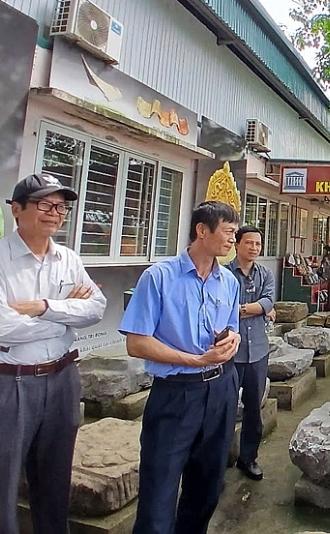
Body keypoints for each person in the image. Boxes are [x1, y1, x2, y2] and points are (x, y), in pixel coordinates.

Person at [0, 173, 106, 534]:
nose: (54, 213)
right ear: (16, 209)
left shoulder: (68, 259)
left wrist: (41, 306)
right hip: (6, 385)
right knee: (2, 486)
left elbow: (96, 308)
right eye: (44, 204)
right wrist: (63, 318)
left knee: (55, 483)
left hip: (62, 380)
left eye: (60, 206)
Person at [120, 201, 242, 533]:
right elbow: (137, 343)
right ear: (202, 230)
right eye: (229, 232)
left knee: (207, 486)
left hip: (221, 390)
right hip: (177, 394)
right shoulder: (159, 278)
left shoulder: (228, 282)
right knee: (159, 491)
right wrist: (195, 360)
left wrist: (233, 341)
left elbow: (232, 329)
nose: (234, 239)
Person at [225, 225, 275, 482]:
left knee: (253, 409)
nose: (254, 248)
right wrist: (253, 309)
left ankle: (248, 459)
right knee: (224, 410)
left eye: (258, 243)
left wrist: (241, 308)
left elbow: (268, 302)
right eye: (249, 243)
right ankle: (219, 461)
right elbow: (221, 308)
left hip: (257, 352)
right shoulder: (223, 274)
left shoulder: (265, 274)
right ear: (237, 244)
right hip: (229, 354)